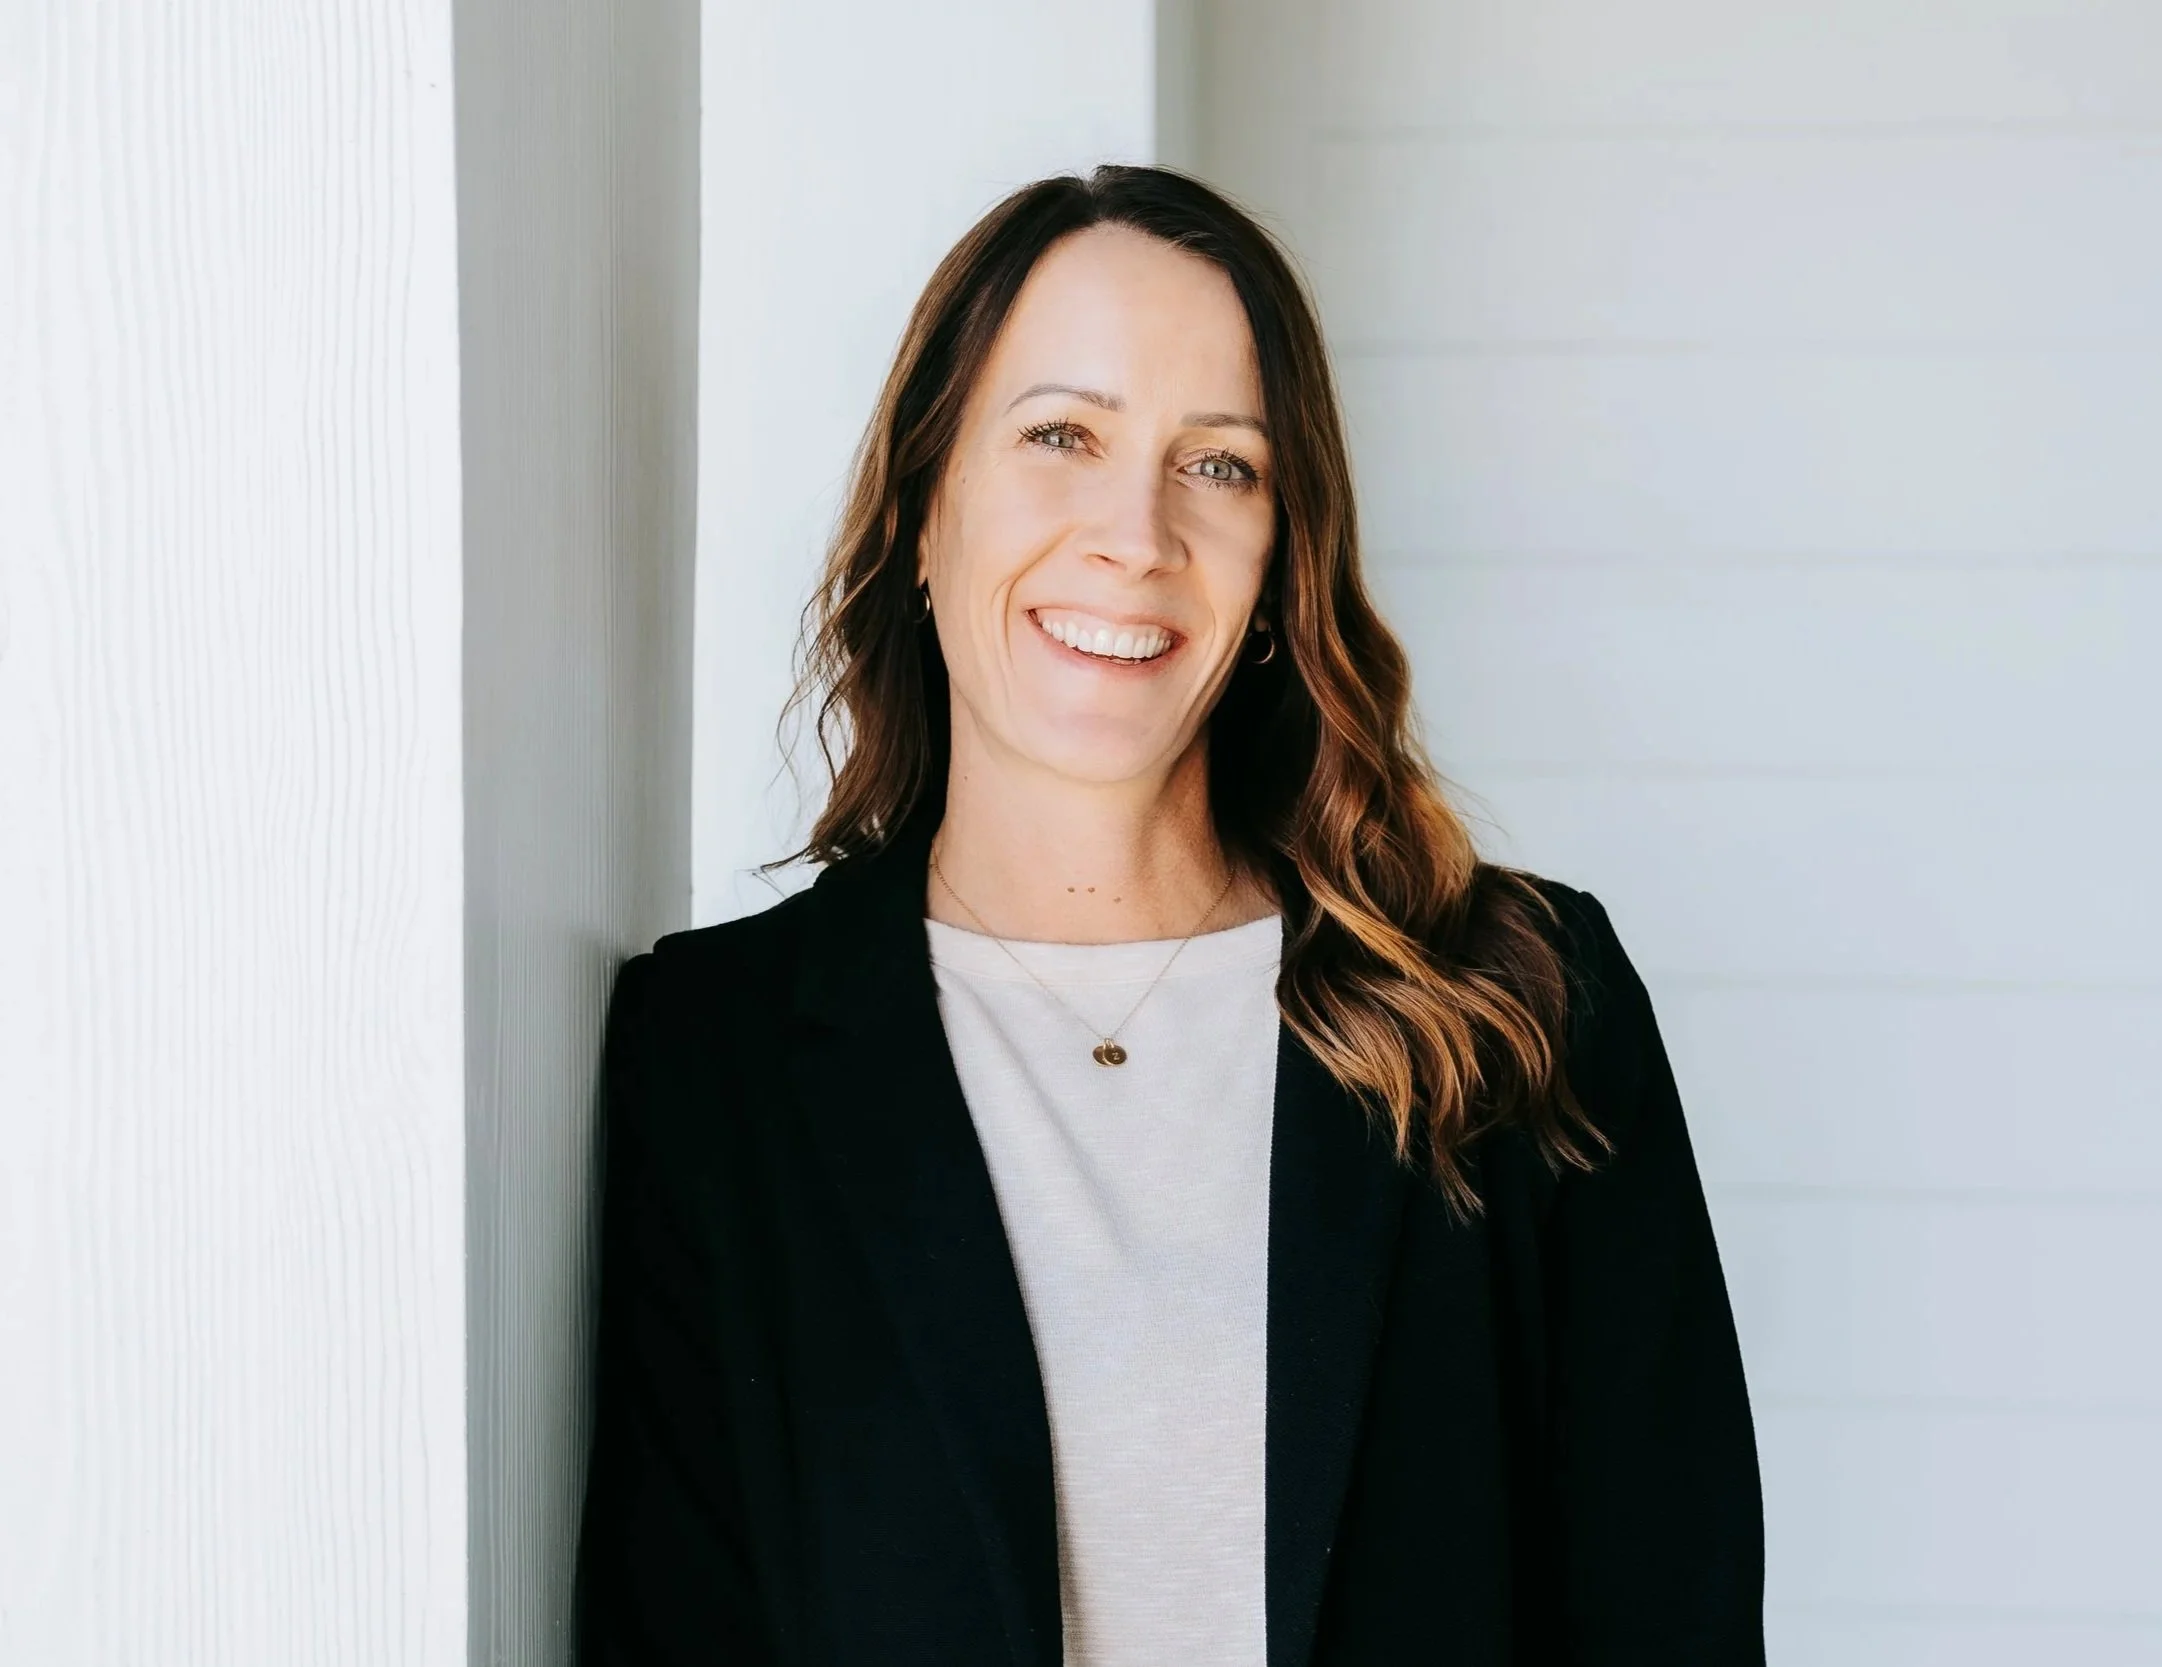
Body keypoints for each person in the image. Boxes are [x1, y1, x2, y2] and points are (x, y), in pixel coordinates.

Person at [572, 164, 1764, 1667]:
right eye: (1060, 436)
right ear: (923, 513)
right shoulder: (714, 1056)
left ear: (1278, 571)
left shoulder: (1520, 998)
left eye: (1219, 465)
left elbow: (1672, 1615)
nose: (1133, 533)